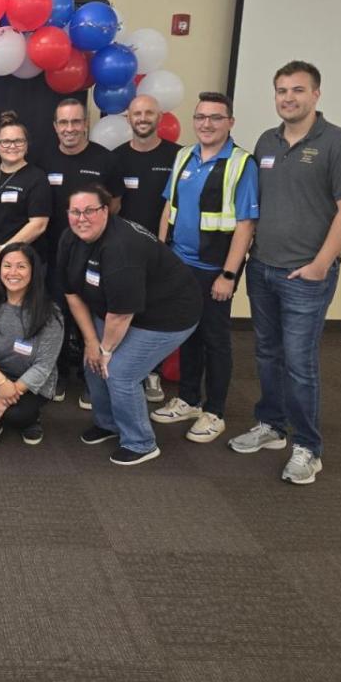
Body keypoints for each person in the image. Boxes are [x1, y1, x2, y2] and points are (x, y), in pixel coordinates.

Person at [228, 61, 341, 486]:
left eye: (297, 90)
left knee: (300, 363)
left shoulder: (339, 144)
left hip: (306, 275)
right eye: (281, 90)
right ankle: (271, 425)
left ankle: (308, 446)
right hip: (263, 268)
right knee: (267, 354)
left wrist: (320, 264)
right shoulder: (267, 142)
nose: (288, 98)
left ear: (316, 95)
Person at [60, 185, 200, 466]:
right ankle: (108, 423)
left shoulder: (121, 249)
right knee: (92, 361)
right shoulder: (70, 237)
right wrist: (90, 342)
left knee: (119, 372)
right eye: (75, 211)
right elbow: (71, 293)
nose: (81, 218)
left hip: (167, 316)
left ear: (106, 210)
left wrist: (106, 350)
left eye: (90, 210)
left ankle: (141, 442)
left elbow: (121, 315)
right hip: (112, 308)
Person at [151, 92, 258, 445]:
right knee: (188, 334)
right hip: (180, 265)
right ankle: (189, 399)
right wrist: (162, 258)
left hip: (215, 269)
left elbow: (245, 225)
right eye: (200, 117)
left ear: (230, 122)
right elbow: (169, 209)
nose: (206, 124)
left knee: (215, 340)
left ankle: (215, 411)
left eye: (215, 118)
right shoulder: (184, 155)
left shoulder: (242, 164)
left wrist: (228, 275)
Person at [37, 96, 124, 408]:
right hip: (53, 253)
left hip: (96, 254)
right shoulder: (43, 157)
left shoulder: (105, 160)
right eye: (64, 122)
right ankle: (60, 372)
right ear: (55, 127)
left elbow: (114, 204)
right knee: (57, 315)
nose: (70, 128)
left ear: (86, 124)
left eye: (76, 122)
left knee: (97, 316)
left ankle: (93, 377)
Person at [112, 94, 181, 403]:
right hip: (124, 251)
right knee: (125, 309)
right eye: (137, 113)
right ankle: (123, 369)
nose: (142, 118)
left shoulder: (178, 156)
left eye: (148, 113)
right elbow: (111, 207)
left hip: (163, 252)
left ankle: (151, 373)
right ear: (128, 117)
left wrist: (165, 245)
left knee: (156, 312)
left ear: (160, 116)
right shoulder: (115, 158)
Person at [0, 243, 63, 453]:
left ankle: (28, 417)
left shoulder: (50, 313)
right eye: (7, 265)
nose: (13, 273)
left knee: (18, 416)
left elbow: (44, 366)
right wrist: (0, 382)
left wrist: (6, 396)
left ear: (33, 271)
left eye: (21, 266)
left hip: (30, 383)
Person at [0, 110, 51, 286]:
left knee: (25, 313)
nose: (12, 146)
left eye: (18, 141)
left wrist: (5, 250)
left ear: (27, 145)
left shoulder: (37, 177)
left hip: (25, 265)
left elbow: (38, 225)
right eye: (6, 141)